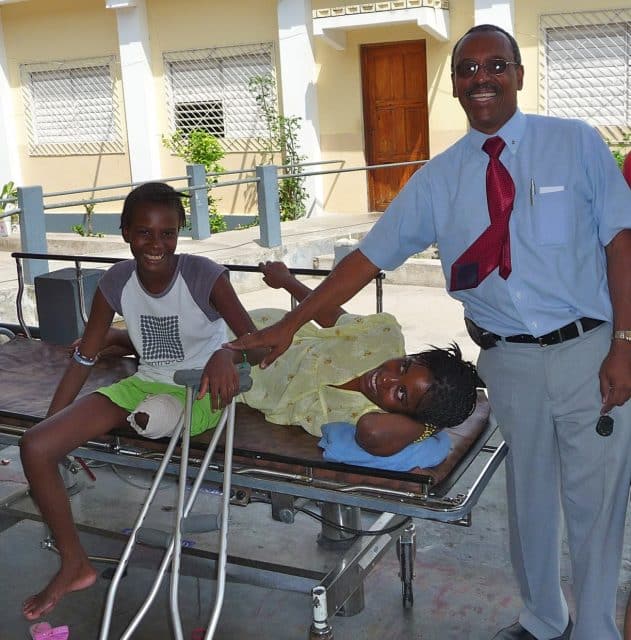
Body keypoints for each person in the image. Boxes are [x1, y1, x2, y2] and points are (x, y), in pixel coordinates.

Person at [229, 24, 631, 640]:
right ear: (456, 88)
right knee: (530, 497)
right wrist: (290, 323)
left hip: (588, 350)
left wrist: (625, 343)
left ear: (519, 74)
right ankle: (545, 620)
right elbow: (369, 257)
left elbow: (619, 241)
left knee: (596, 501)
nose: (481, 80)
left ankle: (597, 630)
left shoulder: (573, 144)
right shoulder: (440, 177)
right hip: (509, 362)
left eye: (495, 66)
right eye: (467, 71)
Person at [19, 182, 267, 621]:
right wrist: (55, 423)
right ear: (126, 232)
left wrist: (227, 353)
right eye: (145, 233)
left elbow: (259, 346)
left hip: (199, 386)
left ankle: (142, 376)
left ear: (179, 234)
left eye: (168, 233)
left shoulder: (204, 275)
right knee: (35, 446)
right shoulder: (115, 282)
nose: (157, 244)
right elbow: (85, 355)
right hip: (144, 380)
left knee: (152, 418)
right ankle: (74, 562)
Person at [242, 261, 479, 455]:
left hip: (239, 379)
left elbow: (373, 433)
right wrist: (287, 281)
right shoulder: (383, 339)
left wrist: (429, 425)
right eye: (404, 366)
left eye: (401, 394)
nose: (386, 378)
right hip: (260, 326)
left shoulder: (366, 416)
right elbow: (330, 314)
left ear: (409, 416)